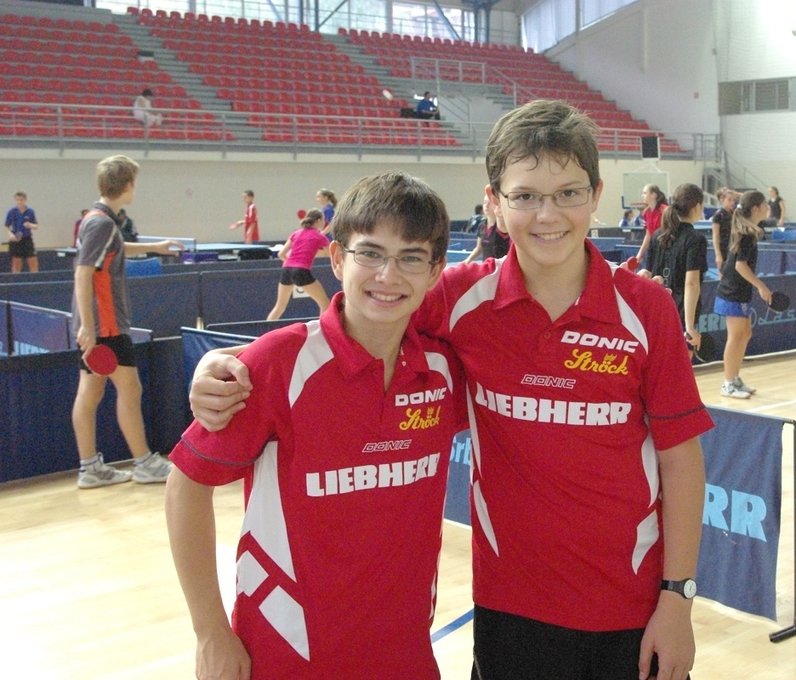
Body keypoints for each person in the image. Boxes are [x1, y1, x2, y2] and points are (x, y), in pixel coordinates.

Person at [189, 100, 712, 680]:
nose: (548, 214)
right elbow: (359, 320)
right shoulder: (457, 298)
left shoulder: (645, 308)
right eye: (525, 195)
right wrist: (227, 361)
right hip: (510, 608)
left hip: (632, 608)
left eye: (568, 193)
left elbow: (681, 460)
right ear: (494, 202)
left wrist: (678, 597)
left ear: (596, 195)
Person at [166, 171, 467, 679]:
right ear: (337, 258)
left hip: (405, 652)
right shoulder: (278, 364)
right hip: (287, 652)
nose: (388, 275)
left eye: (411, 257)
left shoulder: (443, 371)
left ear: (436, 270)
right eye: (370, 253)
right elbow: (185, 487)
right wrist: (210, 633)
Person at [72, 155, 182, 489]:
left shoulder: (100, 220)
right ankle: (144, 462)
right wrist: (89, 326)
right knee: (129, 389)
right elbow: (83, 274)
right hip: (105, 325)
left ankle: (89, 468)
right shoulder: (102, 224)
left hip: (99, 323)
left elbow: (115, 249)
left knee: (91, 392)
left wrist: (155, 247)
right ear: (127, 184)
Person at [714, 190, 772, 399]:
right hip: (732, 290)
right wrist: (761, 287)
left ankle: (735, 378)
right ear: (756, 208)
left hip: (740, 290)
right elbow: (740, 266)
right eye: (765, 204)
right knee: (736, 336)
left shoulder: (749, 230)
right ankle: (728, 384)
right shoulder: (746, 234)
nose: (768, 208)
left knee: (745, 333)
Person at [647, 183, 708, 355]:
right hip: (679, 312)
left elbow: (649, 275)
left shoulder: (657, 235)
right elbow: (691, 284)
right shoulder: (696, 239)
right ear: (697, 207)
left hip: (656, 311)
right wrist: (689, 326)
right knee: (679, 367)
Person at [266, 208, 331, 320]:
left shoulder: (296, 233)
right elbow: (331, 254)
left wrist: (294, 263)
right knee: (325, 304)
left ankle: (265, 330)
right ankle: (323, 329)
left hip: (286, 269)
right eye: (323, 220)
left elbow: (281, 254)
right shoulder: (320, 237)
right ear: (319, 220)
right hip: (301, 271)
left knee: (279, 307)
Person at [461, 196, 510, 263]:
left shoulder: (502, 226)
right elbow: (479, 248)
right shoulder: (482, 226)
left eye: (489, 203)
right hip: (486, 266)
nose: (486, 205)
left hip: (501, 266)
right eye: (485, 202)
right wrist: (467, 260)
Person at [633, 183, 669, 268]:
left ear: (654, 195)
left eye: (645, 193)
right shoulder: (646, 212)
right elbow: (648, 235)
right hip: (653, 248)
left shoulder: (665, 210)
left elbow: (670, 230)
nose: (642, 195)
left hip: (665, 248)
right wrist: (640, 253)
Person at [5, 191, 39, 273]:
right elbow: (7, 226)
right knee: (16, 263)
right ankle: (16, 279)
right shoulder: (12, 211)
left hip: (27, 239)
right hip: (16, 240)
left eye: (21, 200)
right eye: (17, 200)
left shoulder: (30, 211)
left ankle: (35, 278)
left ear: (25, 200)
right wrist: (10, 234)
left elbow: (36, 226)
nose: (19, 202)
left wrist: (30, 225)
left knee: (33, 261)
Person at [711, 187, 738, 271]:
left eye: (733, 200)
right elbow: (715, 236)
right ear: (722, 200)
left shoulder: (734, 213)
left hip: (733, 247)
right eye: (729, 200)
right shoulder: (718, 215)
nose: (732, 202)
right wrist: (718, 255)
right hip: (723, 248)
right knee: (724, 274)